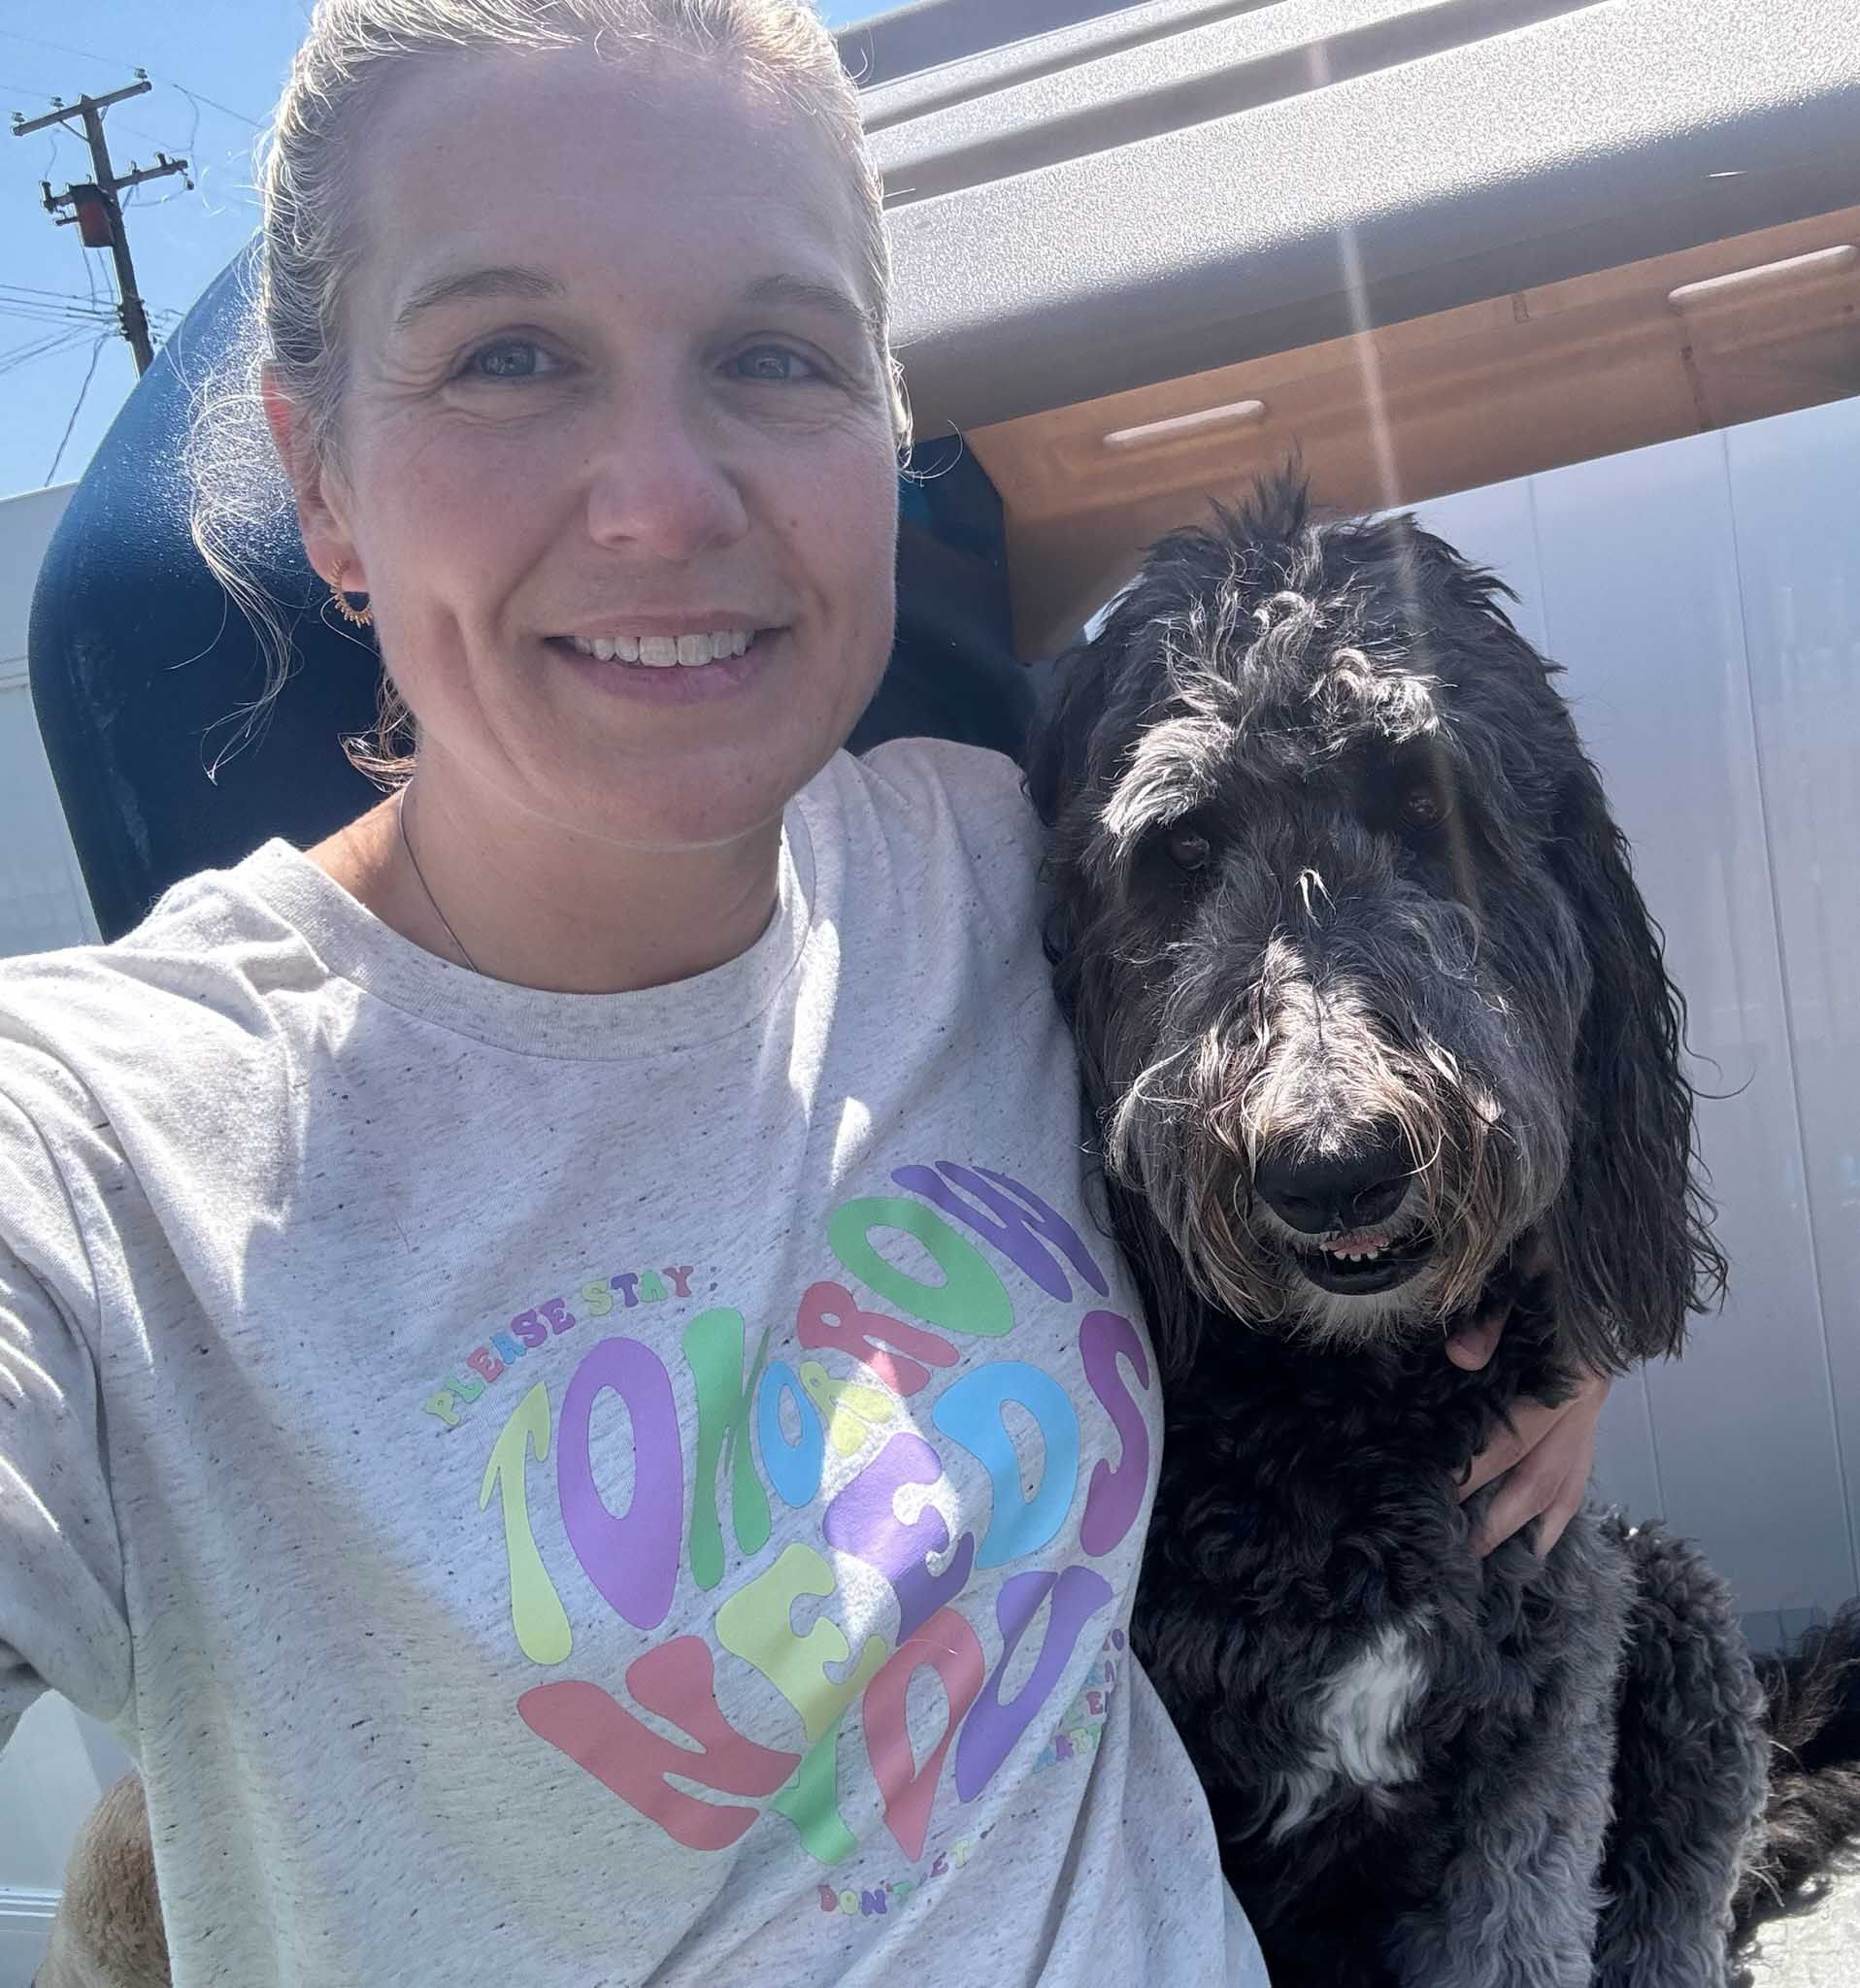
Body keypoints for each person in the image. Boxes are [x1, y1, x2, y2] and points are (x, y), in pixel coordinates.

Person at [0, 3, 1607, 1981]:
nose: (663, 499)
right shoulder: (102, 1152)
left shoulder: (995, 865)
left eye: (772, 355)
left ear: (880, 431)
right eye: (510, 356)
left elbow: (1394, 1001)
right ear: (317, 475)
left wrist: (1535, 1294)